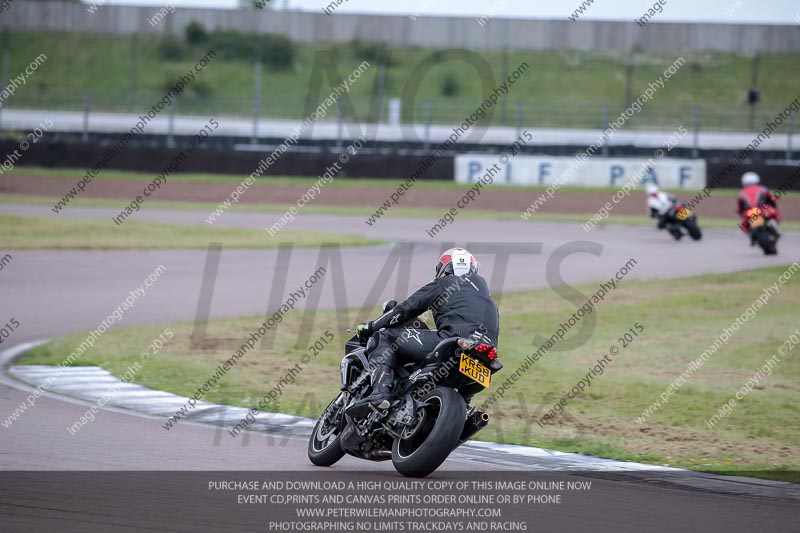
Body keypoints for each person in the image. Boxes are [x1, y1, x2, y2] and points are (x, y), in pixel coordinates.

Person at [352, 248, 500, 412]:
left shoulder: (445, 283)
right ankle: (463, 410)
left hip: (454, 341)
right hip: (487, 354)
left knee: (384, 337)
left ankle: (380, 393)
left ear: (444, 269)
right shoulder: (489, 300)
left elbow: (404, 310)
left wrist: (371, 326)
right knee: (464, 399)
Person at [737, 171, 781, 238]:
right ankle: (776, 227)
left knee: (744, 225)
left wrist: (741, 212)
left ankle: (751, 236)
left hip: (749, 211)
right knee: (774, 212)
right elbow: (772, 199)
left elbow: (740, 208)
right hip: (762, 209)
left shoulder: (742, 193)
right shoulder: (763, 189)